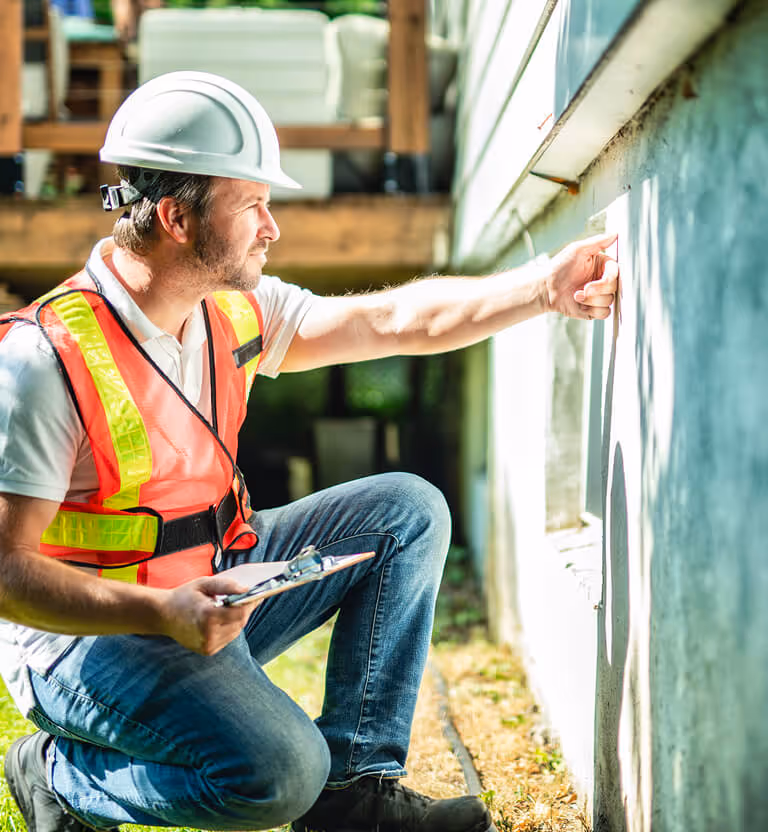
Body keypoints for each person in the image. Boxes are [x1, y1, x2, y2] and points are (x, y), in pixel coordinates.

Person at [0, 70, 618, 832]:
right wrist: (159, 612)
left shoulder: (230, 309)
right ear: (176, 219)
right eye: (253, 205)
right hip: (82, 642)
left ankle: (354, 797)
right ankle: (59, 778)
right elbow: (5, 573)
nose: (272, 226)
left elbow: (394, 321)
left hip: (207, 588)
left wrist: (543, 288)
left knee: (408, 512)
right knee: (277, 773)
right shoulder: (44, 359)